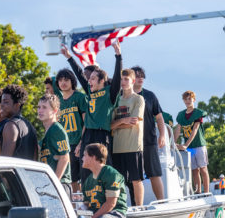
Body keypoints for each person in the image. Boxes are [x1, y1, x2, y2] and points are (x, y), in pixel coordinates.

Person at [61, 41, 122, 185]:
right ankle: (88, 200)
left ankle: (108, 198)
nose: (89, 81)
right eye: (90, 79)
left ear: (102, 81)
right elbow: (80, 75)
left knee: (103, 170)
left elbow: (117, 77)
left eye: (93, 78)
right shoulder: (90, 92)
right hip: (88, 135)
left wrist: (118, 56)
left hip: (102, 135)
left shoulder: (110, 94)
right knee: (85, 171)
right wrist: (69, 57)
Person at [111, 69, 145, 206]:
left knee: (136, 180)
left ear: (133, 81)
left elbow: (134, 122)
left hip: (133, 146)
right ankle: (121, 208)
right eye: (121, 79)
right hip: (117, 147)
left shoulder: (138, 99)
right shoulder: (115, 100)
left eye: (126, 79)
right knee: (118, 181)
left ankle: (140, 209)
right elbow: (110, 125)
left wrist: (118, 123)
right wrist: (123, 121)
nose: (123, 82)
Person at [132, 66, 165, 200]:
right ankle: (136, 207)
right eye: (137, 75)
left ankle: (162, 203)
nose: (140, 78)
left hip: (149, 141)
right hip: (130, 143)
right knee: (134, 177)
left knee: (154, 174)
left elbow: (159, 117)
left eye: (142, 76)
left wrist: (162, 135)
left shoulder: (150, 95)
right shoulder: (123, 96)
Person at [54, 69, 88, 192]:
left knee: (85, 178)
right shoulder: (58, 102)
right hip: (66, 145)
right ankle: (76, 206)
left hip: (80, 142)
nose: (63, 82)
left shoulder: (80, 97)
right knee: (72, 179)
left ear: (72, 81)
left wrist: (81, 143)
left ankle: (87, 204)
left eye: (66, 80)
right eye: (60, 80)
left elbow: (86, 123)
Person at [0, 84, 38, 160]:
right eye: (1, 102)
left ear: (17, 105)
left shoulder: (11, 125)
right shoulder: (30, 126)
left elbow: (5, 160)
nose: (2, 105)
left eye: (6, 102)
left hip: (12, 171)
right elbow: (35, 158)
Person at [174, 90, 209, 194]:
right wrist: (173, 143)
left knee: (203, 169)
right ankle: (198, 191)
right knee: (194, 170)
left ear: (194, 99)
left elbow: (195, 130)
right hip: (189, 148)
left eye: (189, 99)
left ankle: (206, 192)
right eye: (185, 99)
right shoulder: (181, 115)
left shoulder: (198, 113)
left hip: (199, 145)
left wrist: (185, 145)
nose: (187, 101)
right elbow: (177, 130)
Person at [37, 94, 72, 198]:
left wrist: (54, 182)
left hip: (60, 183)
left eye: (44, 107)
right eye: (39, 107)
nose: (40, 110)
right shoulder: (47, 131)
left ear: (55, 110)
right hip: (50, 183)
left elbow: (64, 158)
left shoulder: (57, 129)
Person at [82, 143, 127, 218]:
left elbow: (111, 204)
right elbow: (86, 204)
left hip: (114, 214)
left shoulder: (111, 174)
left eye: (84, 155)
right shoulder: (88, 180)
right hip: (96, 215)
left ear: (93, 157)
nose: (82, 158)